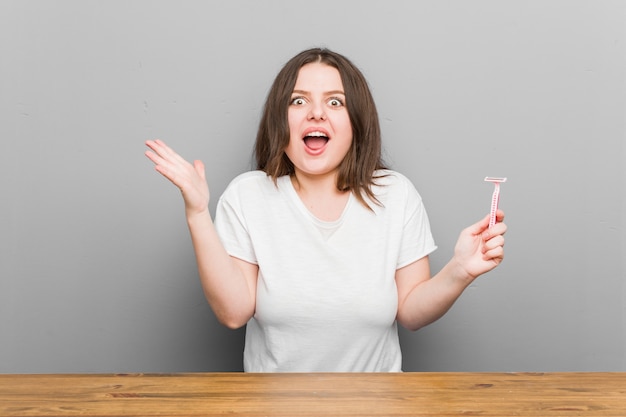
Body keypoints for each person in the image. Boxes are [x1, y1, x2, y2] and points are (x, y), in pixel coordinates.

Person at [145, 48, 507, 372]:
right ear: (279, 120)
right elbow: (233, 312)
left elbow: (411, 311)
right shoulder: (247, 196)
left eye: (335, 102)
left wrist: (460, 270)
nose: (316, 113)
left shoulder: (396, 195)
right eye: (298, 101)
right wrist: (197, 213)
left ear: (356, 124)